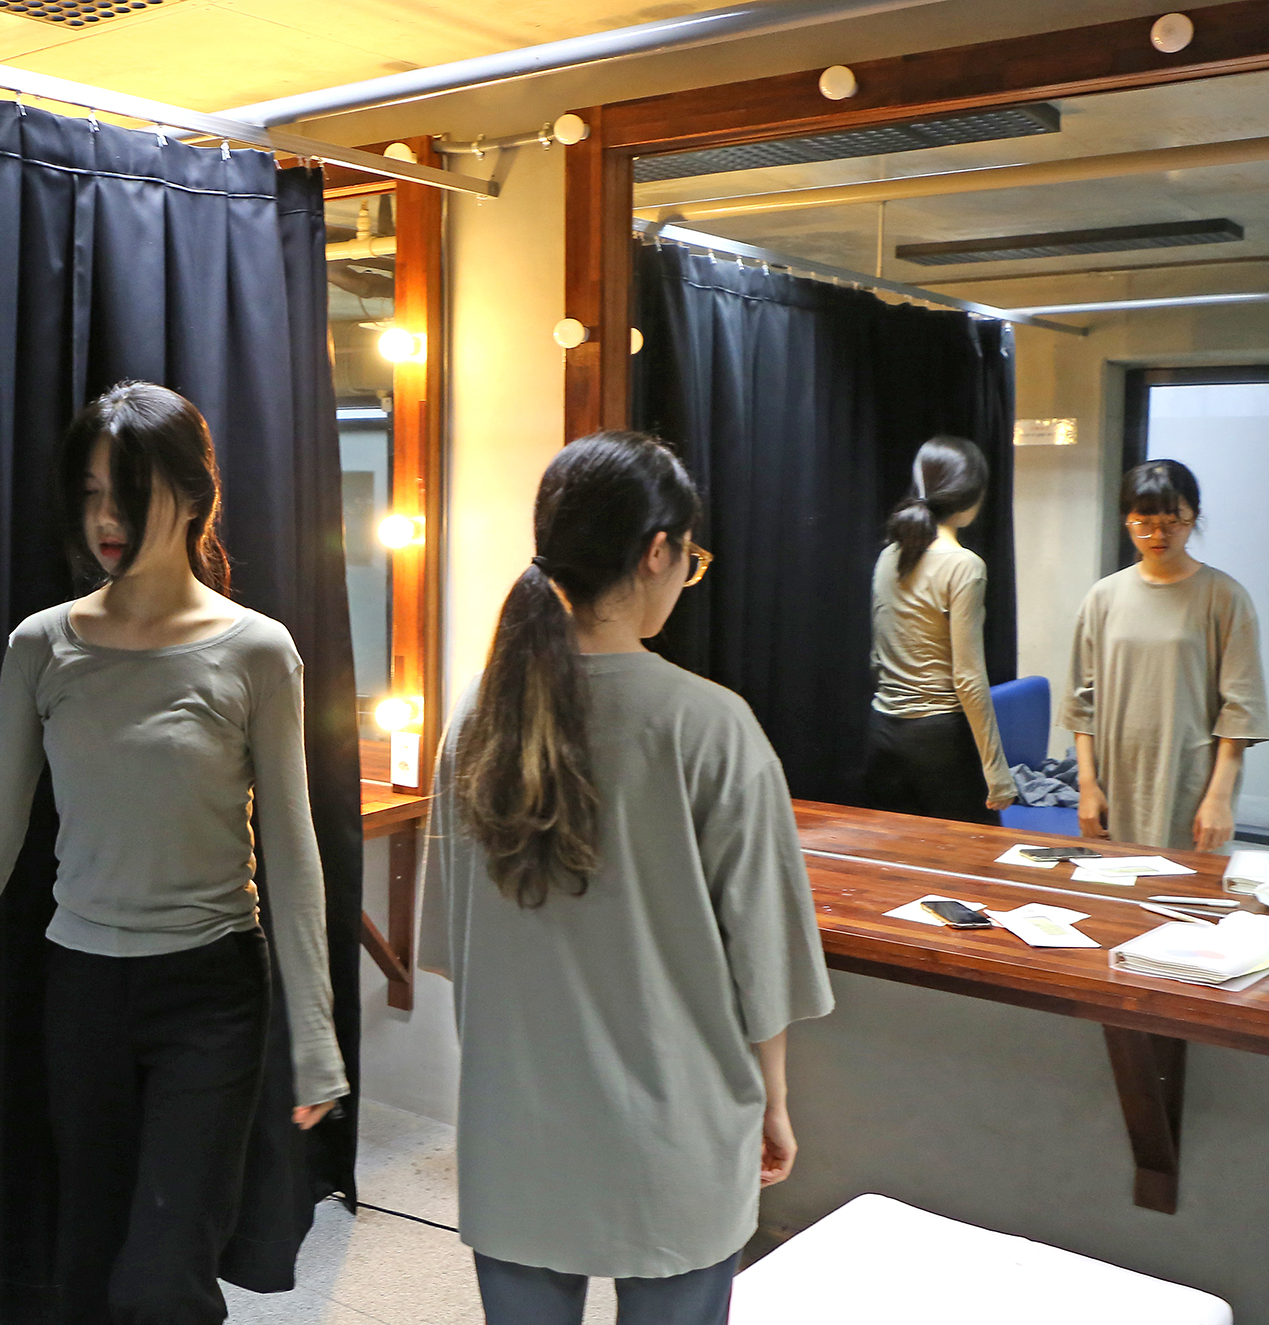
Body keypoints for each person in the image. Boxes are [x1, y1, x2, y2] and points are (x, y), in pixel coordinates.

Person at [0, 382, 347, 1325]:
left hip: (212, 989)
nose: (106, 518)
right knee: (91, 1269)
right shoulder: (43, 645)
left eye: (129, 493)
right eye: (92, 492)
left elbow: (294, 852)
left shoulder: (258, 651)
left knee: (164, 1278)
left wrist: (314, 1034)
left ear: (194, 496)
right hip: (85, 987)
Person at [419, 432, 834, 1325]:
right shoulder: (710, 725)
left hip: (516, 1132)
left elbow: (456, 946)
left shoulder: (476, 717)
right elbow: (763, 964)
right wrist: (774, 1101)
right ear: (657, 551)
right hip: (674, 1136)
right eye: (691, 558)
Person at [1062, 458, 1269, 852]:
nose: (1158, 535)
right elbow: (1080, 703)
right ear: (1127, 520)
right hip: (1115, 778)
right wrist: (1086, 786)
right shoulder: (1103, 597)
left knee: (1186, 885)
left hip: (1190, 778)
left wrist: (1219, 797)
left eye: (1173, 522)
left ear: (1194, 518)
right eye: (1144, 522)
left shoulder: (1225, 597)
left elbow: (1241, 709)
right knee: (1113, 882)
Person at [864, 435, 1016, 825]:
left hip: (882, 732)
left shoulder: (888, 555)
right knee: (972, 857)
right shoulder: (964, 565)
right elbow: (968, 677)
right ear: (973, 495)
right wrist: (996, 769)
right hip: (940, 741)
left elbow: (877, 658)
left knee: (897, 856)